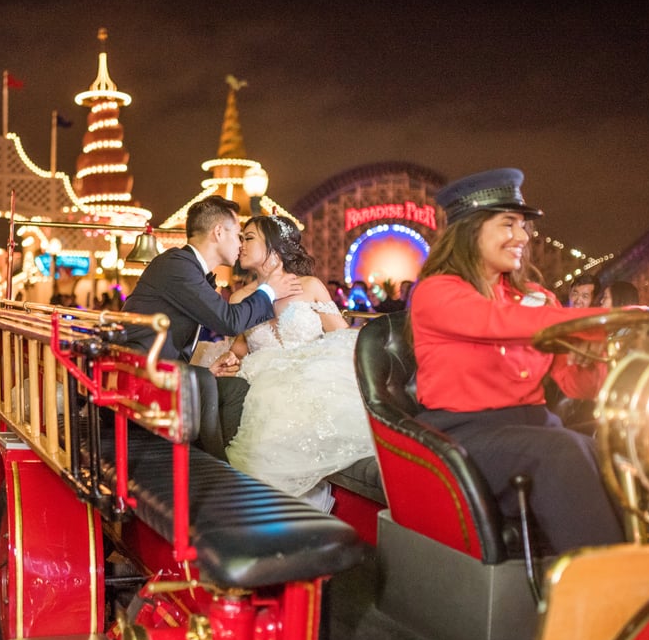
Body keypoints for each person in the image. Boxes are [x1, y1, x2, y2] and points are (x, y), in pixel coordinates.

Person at [409, 168, 623, 554]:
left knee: (623, 454)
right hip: (463, 435)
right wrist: (606, 320)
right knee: (562, 453)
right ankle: (612, 601)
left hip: (536, 426)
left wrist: (598, 352)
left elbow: (577, 386)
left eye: (523, 226)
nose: (522, 237)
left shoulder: (538, 298)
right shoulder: (436, 291)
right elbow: (497, 322)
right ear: (471, 229)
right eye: (508, 223)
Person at [121, 195, 302, 459]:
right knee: (209, 383)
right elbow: (228, 320)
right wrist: (269, 291)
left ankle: (220, 464)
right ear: (219, 232)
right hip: (141, 375)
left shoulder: (187, 268)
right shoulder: (177, 266)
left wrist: (204, 369)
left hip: (155, 368)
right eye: (239, 235)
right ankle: (214, 467)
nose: (241, 244)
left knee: (234, 388)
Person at [221, 215, 374, 511]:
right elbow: (239, 348)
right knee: (267, 406)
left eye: (249, 237)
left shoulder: (310, 286)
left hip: (312, 374)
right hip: (263, 379)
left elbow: (340, 336)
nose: (241, 244)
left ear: (274, 247)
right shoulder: (240, 297)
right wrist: (231, 357)